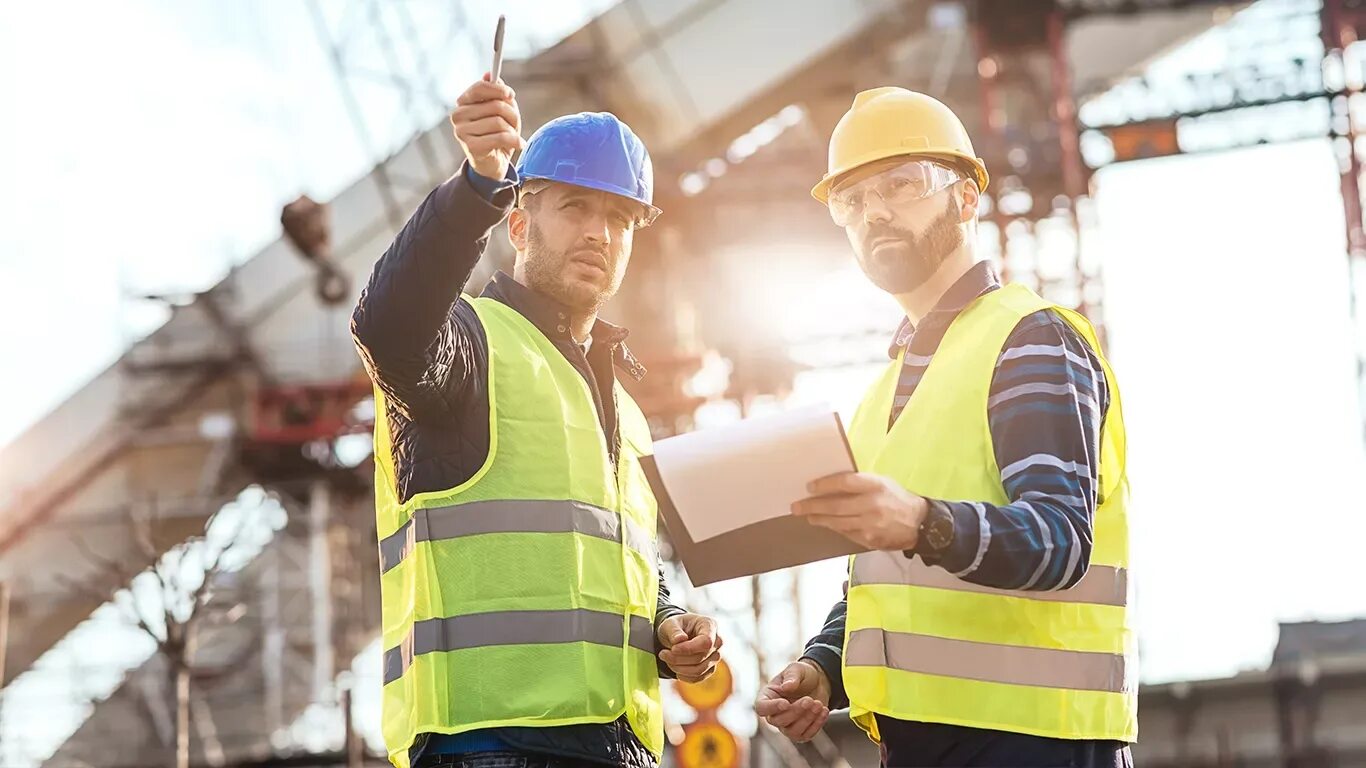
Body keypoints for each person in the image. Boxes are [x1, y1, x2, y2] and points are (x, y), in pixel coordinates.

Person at [756, 86, 1135, 767]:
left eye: (901, 184)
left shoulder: (1029, 341)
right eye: (853, 200)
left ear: (964, 198)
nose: (874, 211)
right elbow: (888, 584)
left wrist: (923, 521)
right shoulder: (882, 396)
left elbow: (1059, 539)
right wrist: (822, 665)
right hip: (920, 747)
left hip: (1036, 744)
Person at [352, 73, 723, 768]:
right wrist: (479, 184)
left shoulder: (625, 410)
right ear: (518, 224)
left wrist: (668, 626)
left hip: (621, 747)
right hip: (487, 744)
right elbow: (389, 325)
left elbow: (613, 563)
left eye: (619, 218)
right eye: (575, 207)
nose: (598, 233)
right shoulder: (468, 344)